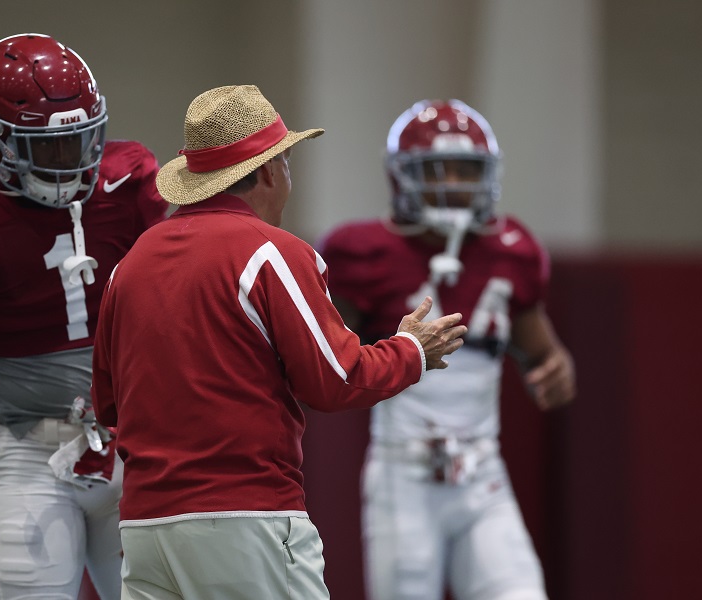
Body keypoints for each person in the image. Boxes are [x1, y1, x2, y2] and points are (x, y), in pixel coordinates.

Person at [90, 85, 468, 600]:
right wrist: (411, 350)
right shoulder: (273, 253)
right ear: (269, 170)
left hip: (144, 526)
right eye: (287, 163)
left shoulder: (129, 265)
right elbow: (337, 379)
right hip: (246, 521)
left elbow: (109, 403)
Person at [0, 33, 169, 599]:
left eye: (79, 141)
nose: (68, 161)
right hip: (30, 451)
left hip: (134, 444)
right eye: (47, 147)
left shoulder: (128, 184)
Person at [317, 99, 577, 600]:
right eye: (440, 170)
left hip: (483, 474)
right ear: (402, 176)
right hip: (404, 473)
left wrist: (557, 371)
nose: (456, 185)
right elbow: (326, 357)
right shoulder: (361, 250)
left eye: (467, 171)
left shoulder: (511, 249)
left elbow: (543, 353)